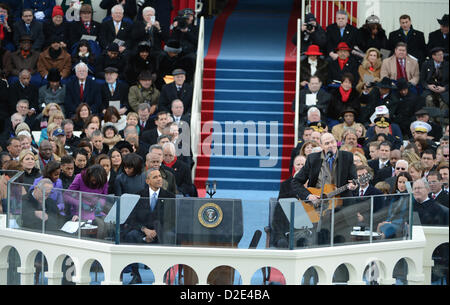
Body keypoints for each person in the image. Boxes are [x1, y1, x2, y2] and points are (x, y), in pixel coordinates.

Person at [122, 167, 175, 283]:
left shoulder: (169, 197)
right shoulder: (139, 196)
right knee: (130, 235)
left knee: (169, 235)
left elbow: (170, 220)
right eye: (155, 177)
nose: (159, 179)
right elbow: (132, 219)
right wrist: (145, 230)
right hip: (142, 230)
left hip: (161, 231)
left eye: (160, 176)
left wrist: (155, 232)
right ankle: (136, 274)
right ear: (147, 181)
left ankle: (164, 274)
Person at [64, 164, 110, 239]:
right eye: (93, 180)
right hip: (80, 211)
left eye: (97, 181)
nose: (95, 182)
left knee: (107, 224)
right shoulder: (80, 177)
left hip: (96, 210)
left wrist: (100, 204)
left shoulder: (103, 180)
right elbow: (66, 195)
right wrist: (80, 204)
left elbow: (103, 196)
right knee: (99, 224)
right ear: (89, 175)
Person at [377, 172, 413, 239]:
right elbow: (386, 212)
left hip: (402, 224)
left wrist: (391, 222)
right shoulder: (393, 196)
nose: (401, 185)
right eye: (399, 182)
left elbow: (407, 216)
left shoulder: (410, 197)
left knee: (386, 229)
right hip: (390, 222)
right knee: (380, 225)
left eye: (404, 182)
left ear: (408, 184)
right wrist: (387, 221)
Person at [420, 47, 448, 123]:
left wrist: (444, 88)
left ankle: (442, 121)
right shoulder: (426, 64)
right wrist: (428, 86)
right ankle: (431, 121)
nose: (441, 56)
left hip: (443, 90)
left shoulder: (447, 65)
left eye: (442, 54)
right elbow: (422, 80)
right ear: (433, 56)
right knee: (428, 99)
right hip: (430, 90)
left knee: (444, 101)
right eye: (439, 55)